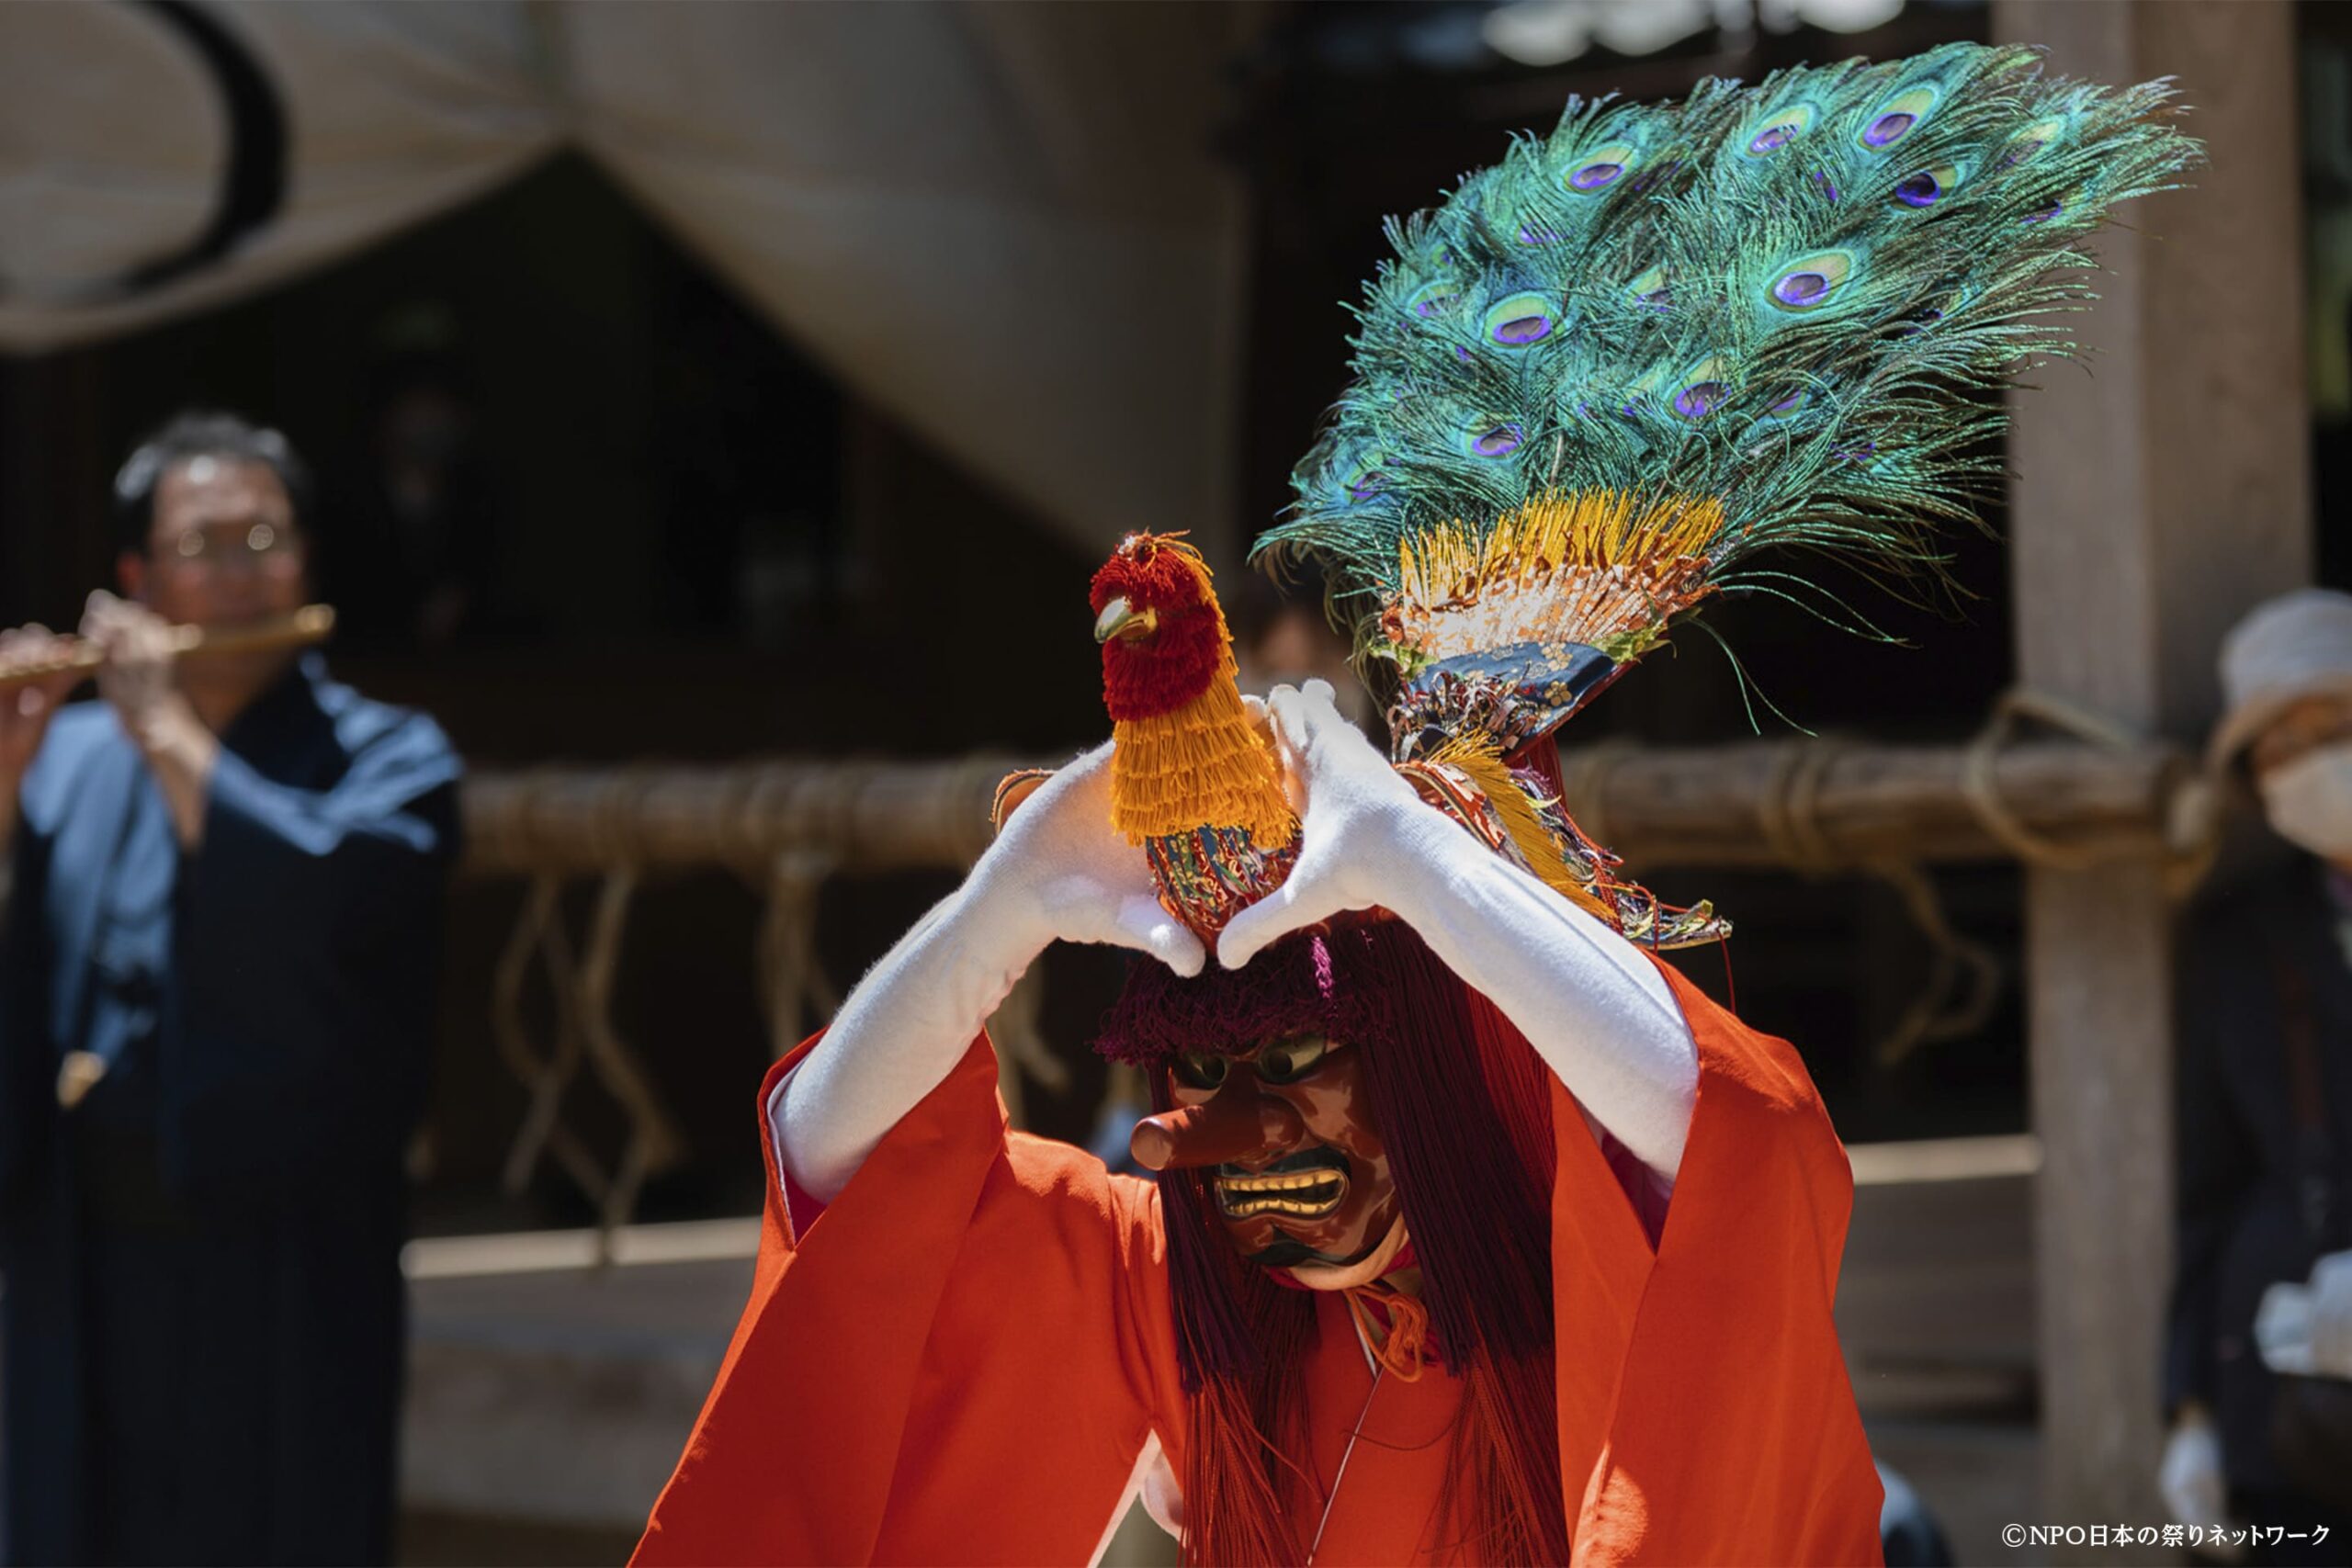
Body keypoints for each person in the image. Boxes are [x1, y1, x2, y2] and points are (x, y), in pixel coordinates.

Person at [0, 412, 462, 1564]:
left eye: (265, 538)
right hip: (79, 1260)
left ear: (307, 559)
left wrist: (162, 726)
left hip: (276, 1270)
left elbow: (321, 912)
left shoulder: (392, 758)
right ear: (138, 579)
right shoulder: (68, 757)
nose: (240, 573)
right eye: (203, 547)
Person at [2162, 588, 2352, 1564]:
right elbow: (2207, 1185)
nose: (2307, 766)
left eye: (2329, 729)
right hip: (2290, 1392)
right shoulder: (2238, 938)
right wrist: (2188, 1405)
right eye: (2275, 753)